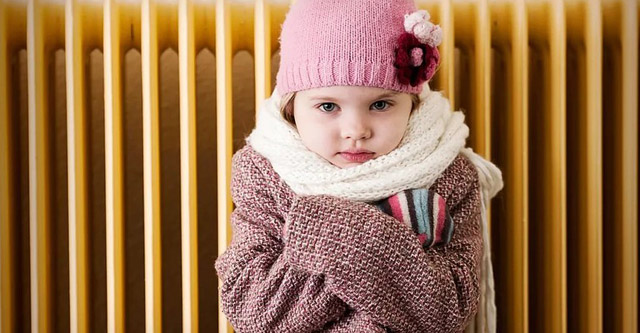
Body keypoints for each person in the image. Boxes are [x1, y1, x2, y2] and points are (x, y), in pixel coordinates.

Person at [214, 0, 503, 332]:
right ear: (292, 108)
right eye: (327, 106)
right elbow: (254, 312)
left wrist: (333, 237)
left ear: (413, 104)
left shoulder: (448, 172)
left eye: (380, 104)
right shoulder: (265, 172)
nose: (356, 130)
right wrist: (386, 243)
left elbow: (444, 312)